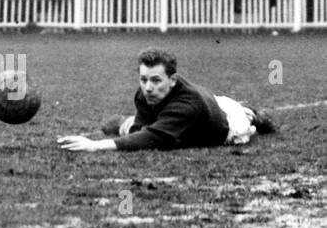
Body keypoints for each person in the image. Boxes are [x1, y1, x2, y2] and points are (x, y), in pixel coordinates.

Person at [57, 47, 277, 153]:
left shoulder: (186, 105)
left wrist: (95, 145)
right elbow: (143, 130)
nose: (148, 87)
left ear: (172, 80)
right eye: (143, 79)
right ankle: (125, 122)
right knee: (135, 129)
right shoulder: (144, 92)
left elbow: (154, 137)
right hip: (201, 107)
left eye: (155, 80)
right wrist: (133, 128)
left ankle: (254, 114)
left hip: (228, 122)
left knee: (245, 117)